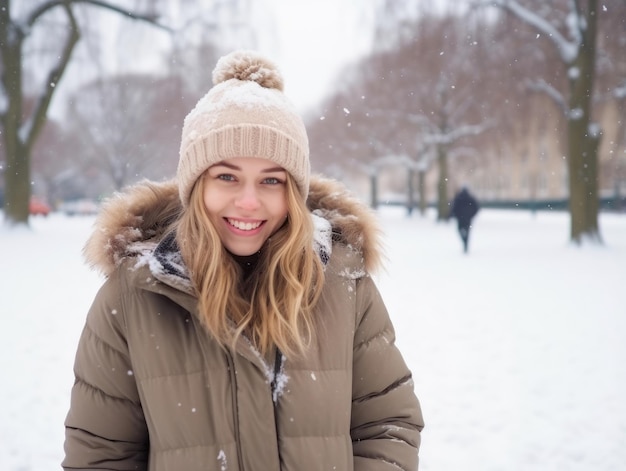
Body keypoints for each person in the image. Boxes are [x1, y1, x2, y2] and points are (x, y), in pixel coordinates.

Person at [62, 50, 424, 470]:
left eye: (271, 180)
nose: (249, 202)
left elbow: (387, 426)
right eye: (227, 177)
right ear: (196, 186)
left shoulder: (342, 282)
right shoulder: (133, 295)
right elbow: (101, 453)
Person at [449, 186, 480, 253]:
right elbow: (476, 208)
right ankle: (465, 243)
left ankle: (464, 242)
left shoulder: (459, 198)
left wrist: (453, 215)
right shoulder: (470, 198)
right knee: (467, 232)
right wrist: (471, 215)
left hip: (461, 218)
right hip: (467, 218)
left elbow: (453, 207)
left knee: (460, 230)